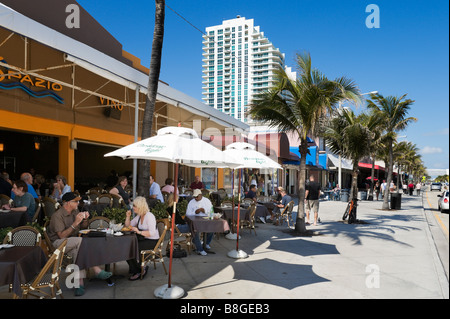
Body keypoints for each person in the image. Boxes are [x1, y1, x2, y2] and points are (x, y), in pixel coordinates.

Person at [47, 192, 112, 296]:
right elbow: (62, 236)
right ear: (67, 203)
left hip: (74, 242)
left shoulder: (75, 211)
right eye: (75, 201)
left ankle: (79, 284)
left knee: (79, 250)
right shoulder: (57, 216)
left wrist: (85, 220)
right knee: (81, 242)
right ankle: (96, 269)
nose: (78, 203)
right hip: (58, 243)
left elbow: (83, 228)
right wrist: (75, 223)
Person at [125, 196, 159, 281]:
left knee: (132, 248)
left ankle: (140, 270)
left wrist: (139, 232)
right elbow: (128, 226)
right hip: (144, 239)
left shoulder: (149, 216)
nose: (133, 208)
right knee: (126, 248)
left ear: (140, 206)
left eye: (135, 206)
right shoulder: (139, 216)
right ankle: (137, 269)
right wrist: (128, 216)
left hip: (152, 241)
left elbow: (152, 233)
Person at [185, 189, 214, 256]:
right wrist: (195, 212)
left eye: (197, 197)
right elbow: (187, 214)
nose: (195, 198)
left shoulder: (207, 201)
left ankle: (206, 243)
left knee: (212, 228)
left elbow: (211, 211)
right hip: (195, 221)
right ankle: (199, 248)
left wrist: (205, 211)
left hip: (205, 219)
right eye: (194, 197)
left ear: (200, 195)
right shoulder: (191, 202)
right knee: (195, 231)